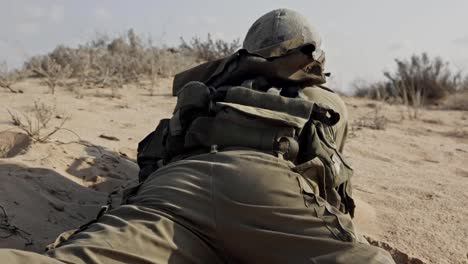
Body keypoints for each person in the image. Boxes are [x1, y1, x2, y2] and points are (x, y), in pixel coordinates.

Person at [0, 8, 395, 264]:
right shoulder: (322, 99)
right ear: (314, 56)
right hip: (267, 188)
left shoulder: (208, 91)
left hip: (176, 189)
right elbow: (330, 176)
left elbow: (158, 155)